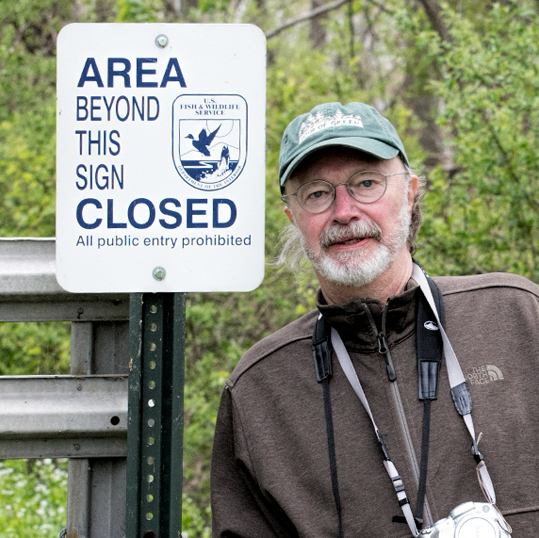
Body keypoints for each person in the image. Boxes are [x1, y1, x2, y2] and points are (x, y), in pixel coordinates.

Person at [210, 102, 539, 537]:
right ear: (293, 215)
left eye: (366, 183)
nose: (343, 211)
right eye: (317, 193)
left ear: (410, 191)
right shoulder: (259, 392)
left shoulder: (517, 317)